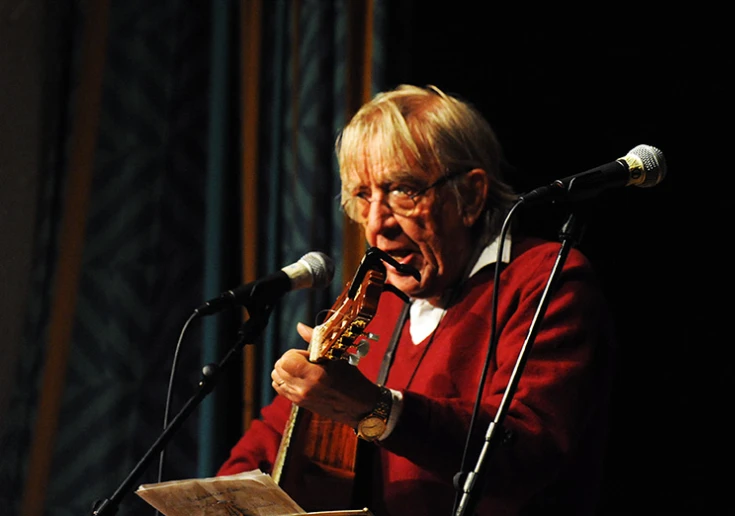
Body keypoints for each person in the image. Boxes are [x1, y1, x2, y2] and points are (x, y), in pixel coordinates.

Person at [217, 84, 616, 516]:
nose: (376, 226)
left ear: (470, 195)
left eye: (402, 191)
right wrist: (212, 502)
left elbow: (528, 447)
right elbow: (265, 445)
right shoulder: (370, 303)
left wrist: (377, 408)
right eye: (363, 196)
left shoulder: (546, 279)